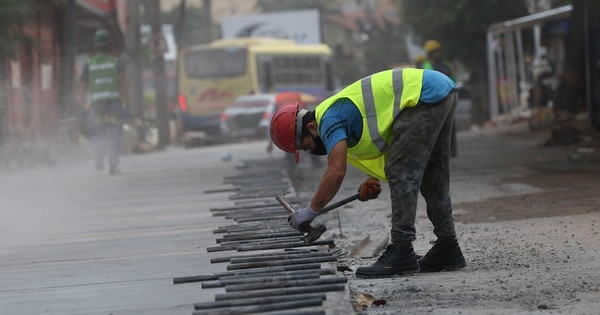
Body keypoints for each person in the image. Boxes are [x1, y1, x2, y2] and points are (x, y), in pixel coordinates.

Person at [269, 68, 466, 278]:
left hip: (421, 95)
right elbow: (388, 137)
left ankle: (401, 249)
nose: (311, 151)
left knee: (401, 171)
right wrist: (370, 179)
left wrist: (309, 211)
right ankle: (448, 247)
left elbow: (335, 172)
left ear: (311, 127)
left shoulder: (328, 120)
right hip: (438, 91)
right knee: (433, 174)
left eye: (307, 146)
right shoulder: (338, 116)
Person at [80, 29, 128, 175]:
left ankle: (98, 155)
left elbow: (83, 87)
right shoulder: (116, 62)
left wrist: (82, 106)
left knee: (97, 132)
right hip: (113, 103)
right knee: (114, 132)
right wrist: (126, 105)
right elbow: (123, 84)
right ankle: (113, 164)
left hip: (96, 105)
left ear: (96, 45)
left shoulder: (89, 64)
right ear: (110, 44)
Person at [421, 39, 458, 157]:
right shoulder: (425, 66)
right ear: (431, 53)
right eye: (436, 51)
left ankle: (451, 150)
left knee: (450, 126)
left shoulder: (447, 65)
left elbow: (454, 80)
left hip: (448, 99)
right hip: (432, 102)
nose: (439, 53)